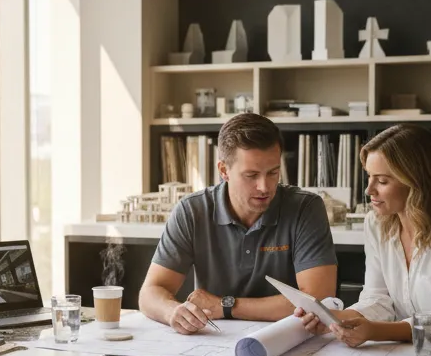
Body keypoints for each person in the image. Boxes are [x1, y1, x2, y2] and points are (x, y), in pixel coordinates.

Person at [295, 123, 431, 346]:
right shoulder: (376, 222)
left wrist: (374, 332)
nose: (369, 190)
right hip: (415, 349)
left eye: (383, 181)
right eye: (369, 177)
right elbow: (376, 299)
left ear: (416, 181)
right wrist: (332, 319)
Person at [139, 113, 338, 335]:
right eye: (251, 175)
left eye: (273, 173)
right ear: (224, 170)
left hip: (287, 338)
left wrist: (225, 305)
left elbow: (317, 301)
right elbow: (150, 292)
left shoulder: (305, 208)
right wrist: (172, 312)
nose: (264, 187)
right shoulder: (191, 211)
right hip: (213, 339)